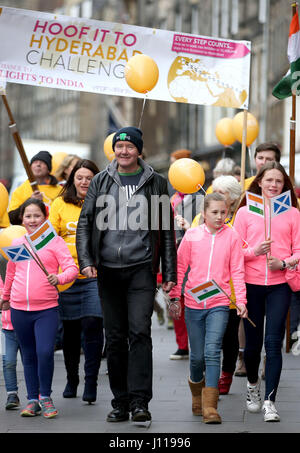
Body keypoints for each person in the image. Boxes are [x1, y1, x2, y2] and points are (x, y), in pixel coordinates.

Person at [76, 126, 177, 423]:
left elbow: (165, 231)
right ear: (114, 150)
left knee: (140, 333)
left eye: (129, 147)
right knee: (116, 338)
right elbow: (85, 224)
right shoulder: (100, 181)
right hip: (107, 269)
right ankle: (120, 401)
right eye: (119, 147)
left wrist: (168, 270)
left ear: (138, 150)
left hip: (141, 270)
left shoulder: (156, 182)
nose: (123, 151)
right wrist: (86, 259)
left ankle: (139, 402)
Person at [168, 192, 247, 424]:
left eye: (224, 212)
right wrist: (175, 297)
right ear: (203, 214)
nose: (220, 216)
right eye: (214, 212)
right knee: (197, 358)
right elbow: (180, 267)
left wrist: (241, 301)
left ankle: (210, 406)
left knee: (213, 352)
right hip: (193, 304)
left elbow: (238, 272)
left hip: (220, 304)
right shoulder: (191, 235)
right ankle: (197, 396)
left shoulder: (232, 237)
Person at [234, 161, 300, 422]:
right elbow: (234, 251)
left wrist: (283, 263)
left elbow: (298, 252)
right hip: (250, 286)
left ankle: (270, 402)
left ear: (285, 185)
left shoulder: (293, 213)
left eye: (279, 181)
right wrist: (255, 252)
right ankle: (252, 386)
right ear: (259, 182)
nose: (273, 185)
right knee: (252, 346)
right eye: (269, 180)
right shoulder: (245, 212)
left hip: (279, 286)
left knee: (273, 344)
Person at [0, 198, 78, 418]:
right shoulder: (17, 243)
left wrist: (59, 277)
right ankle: (32, 399)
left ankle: (46, 396)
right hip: (18, 309)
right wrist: (5, 298)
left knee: (44, 352)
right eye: (28, 216)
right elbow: (12, 273)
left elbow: (72, 268)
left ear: (45, 217)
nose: (32, 220)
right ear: (22, 219)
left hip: (46, 309)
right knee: (28, 355)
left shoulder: (54, 242)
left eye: (37, 215)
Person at [49, 159, 103, 404]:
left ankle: (91, 381)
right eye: (79, 177)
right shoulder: (59, 204)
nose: (84, 182)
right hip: (66, 277)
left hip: (94, 275)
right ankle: (72, 379)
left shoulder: (104, 204)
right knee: (70, 332)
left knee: (93, 323)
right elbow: (51, 240)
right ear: (72, 180)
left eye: (89, 177)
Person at [169, 149, 203, 359]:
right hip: (174, 255)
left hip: (195, 257)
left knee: (195, 300)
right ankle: (182, 345)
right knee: (176, 299)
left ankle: (196, 343)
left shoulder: (203, 198)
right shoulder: (173, 198)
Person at [8, 151, 61, 225]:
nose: (38, 164)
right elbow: (12, 219)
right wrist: (30, 201)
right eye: (35, 162)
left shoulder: (59, 191)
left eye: (43, 162)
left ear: (49, 169)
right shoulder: (20, 190)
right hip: (26, 233)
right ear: (30, 167)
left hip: (51, 232)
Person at [0, 274, 22, 410]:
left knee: (30, 361)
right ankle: (12, 394)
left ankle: (36, 394)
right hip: (7, 328)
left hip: (25, 326)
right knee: (8, 361)